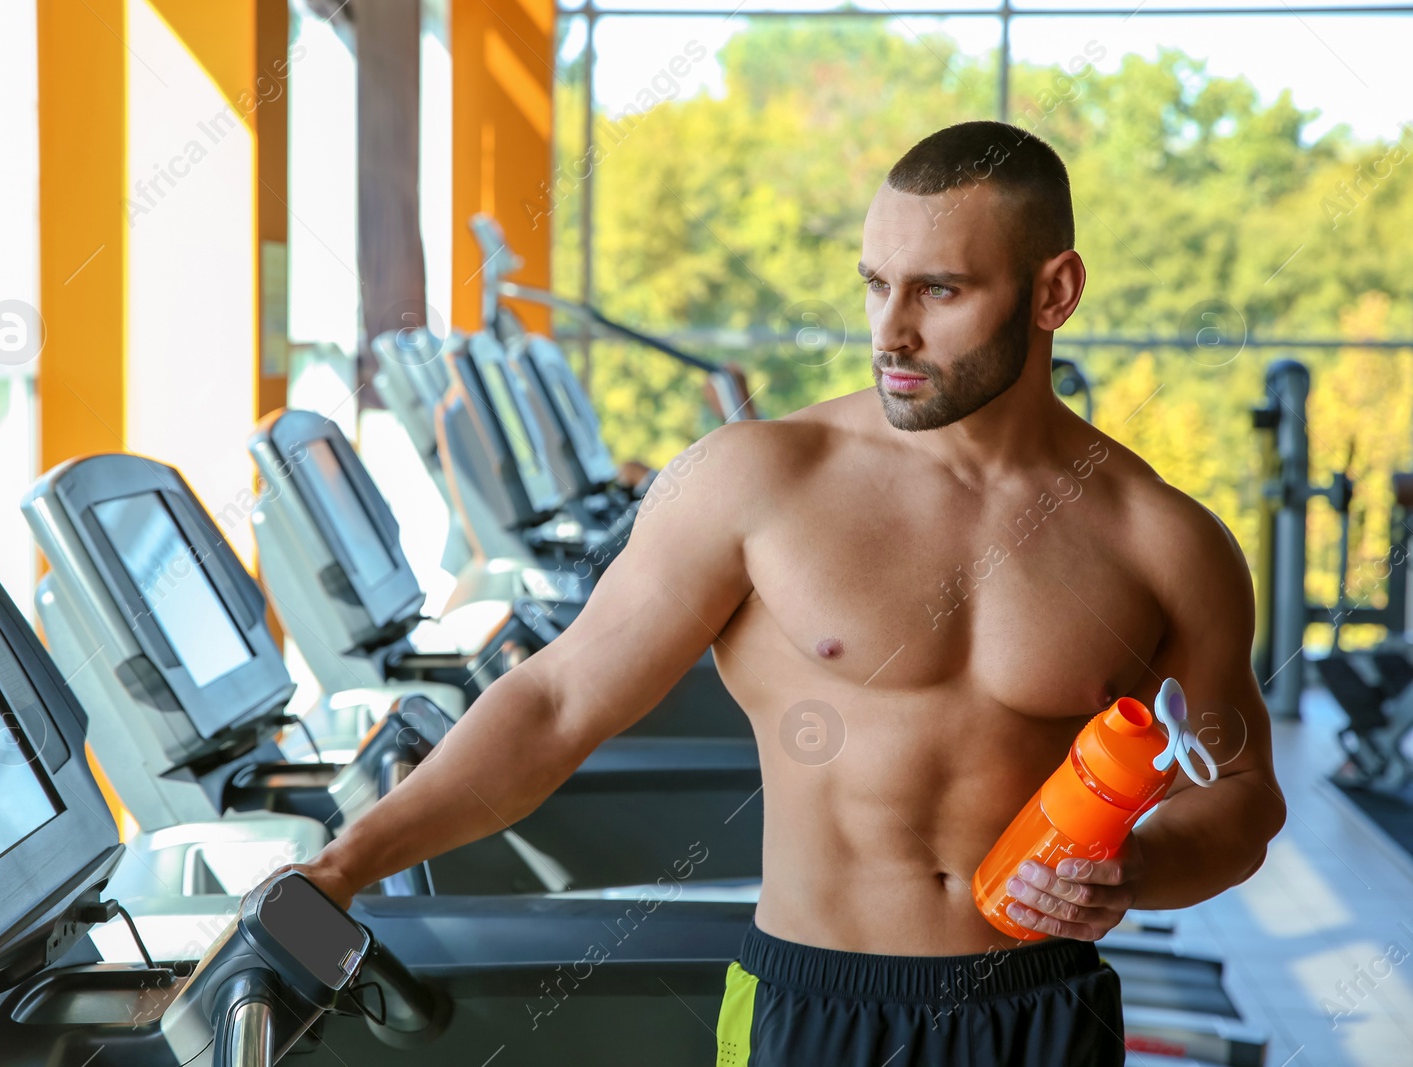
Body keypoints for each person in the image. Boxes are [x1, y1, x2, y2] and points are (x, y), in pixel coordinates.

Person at [282, 120, 1287, 1065]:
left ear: (1052, 290)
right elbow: (554, 704)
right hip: (812, 1002)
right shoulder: (759, 480)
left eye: (938, 291)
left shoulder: (1162, 538)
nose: (889, 331)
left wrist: (1138, 873)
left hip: (1039, 1002)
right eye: (874, 284)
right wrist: (342, 865)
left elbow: (1240, 792)